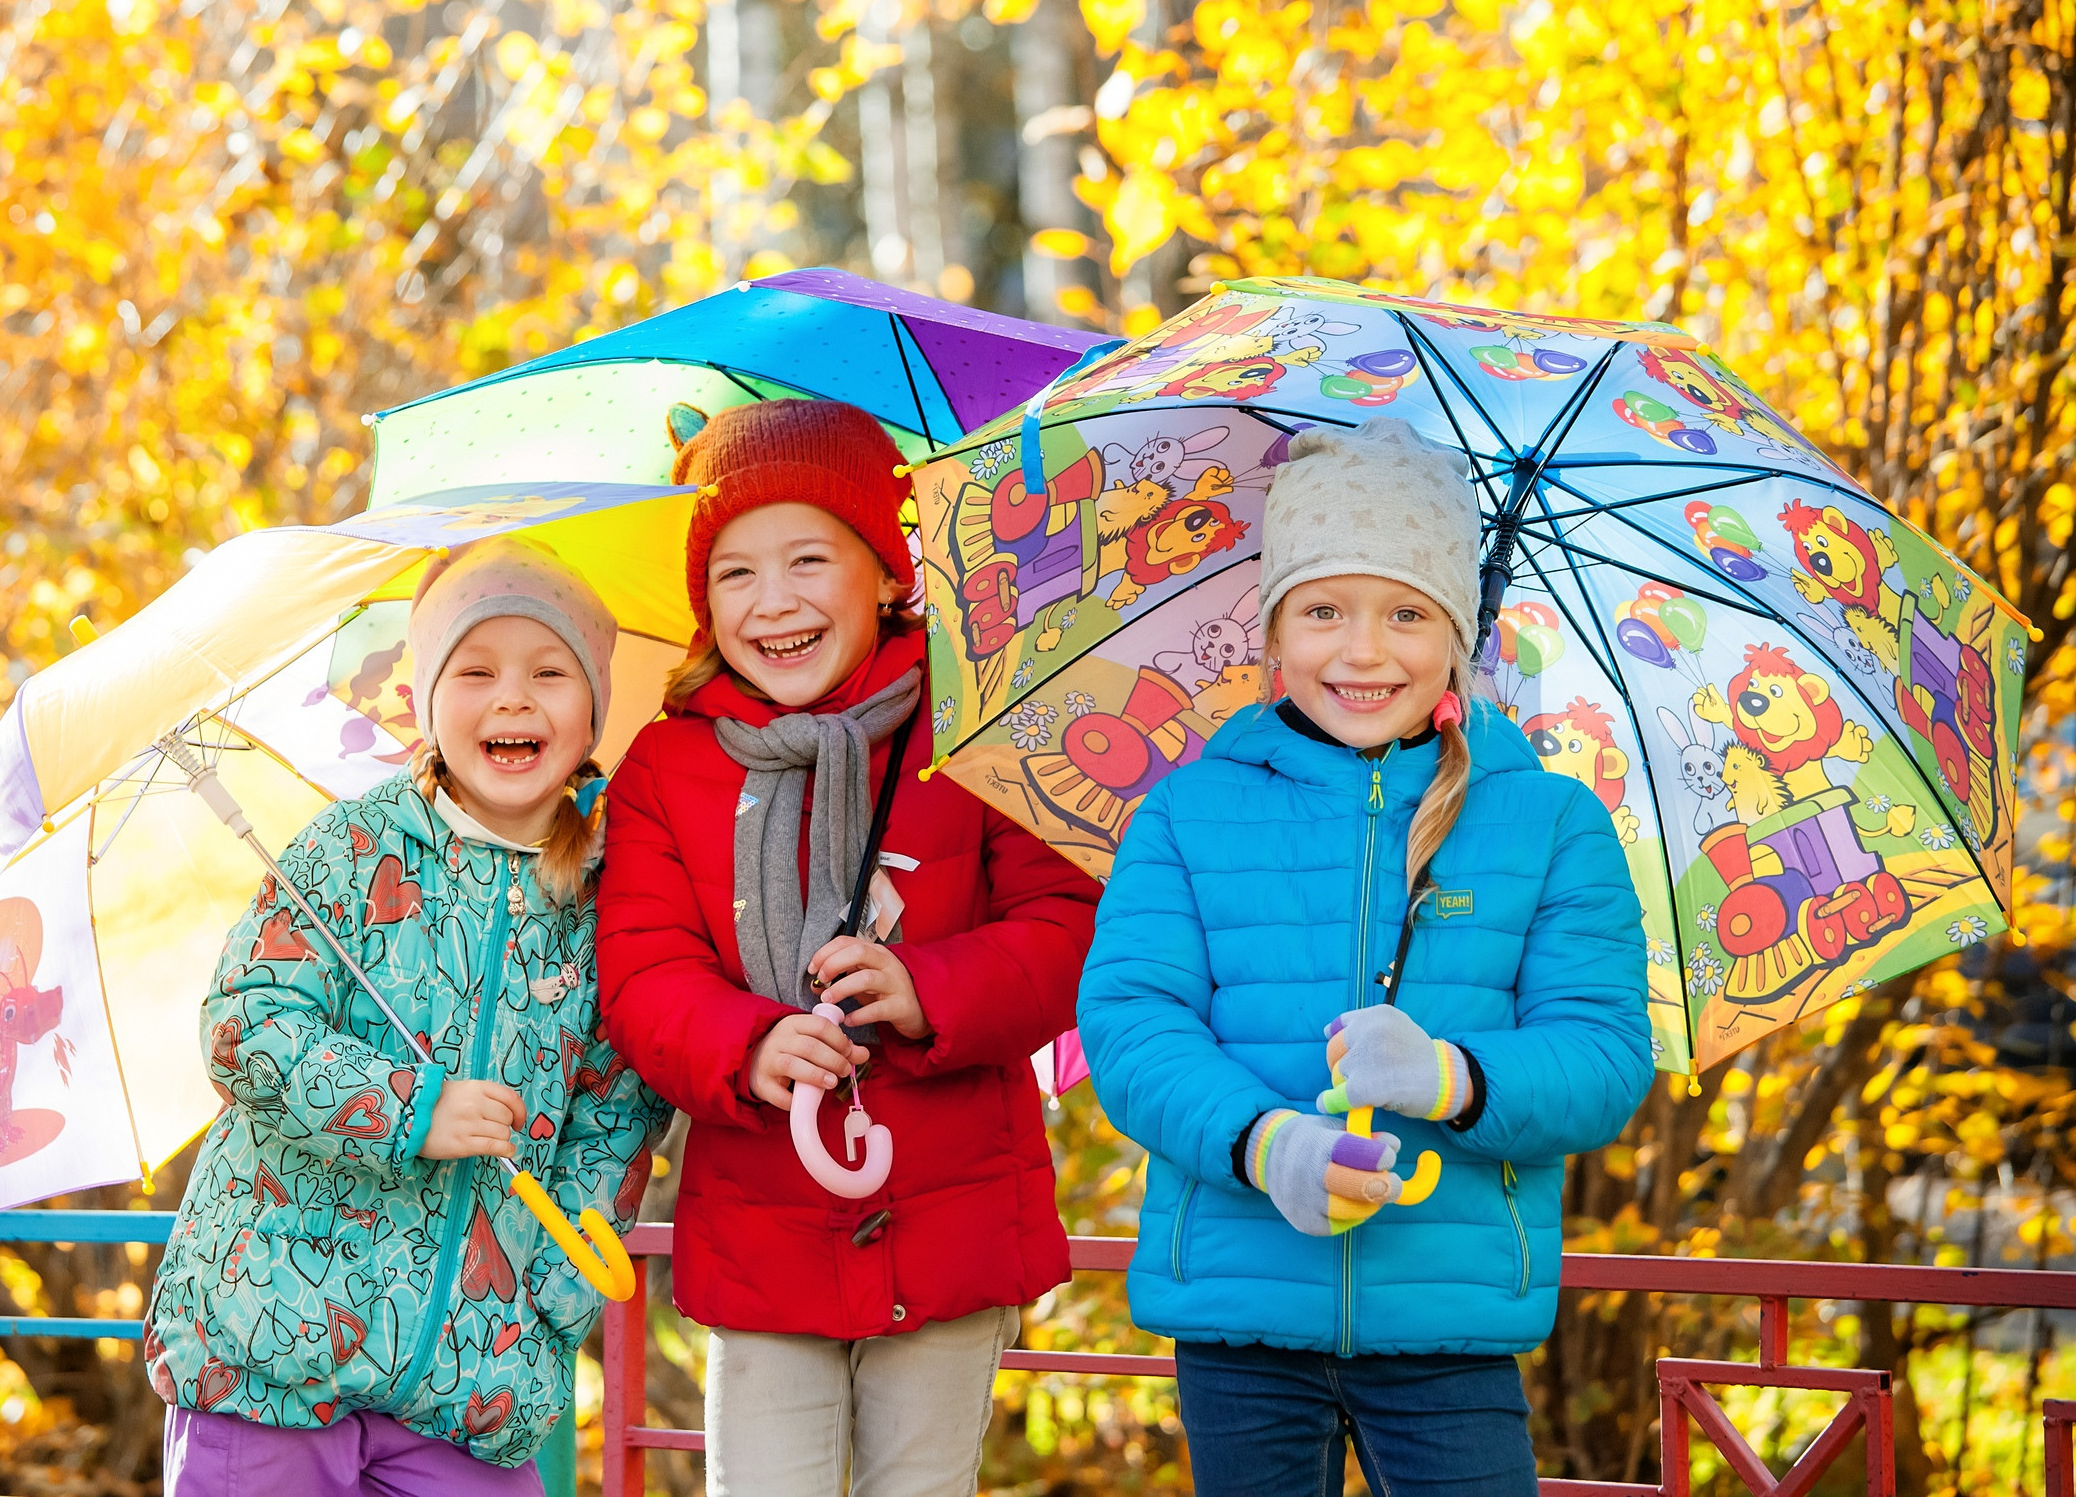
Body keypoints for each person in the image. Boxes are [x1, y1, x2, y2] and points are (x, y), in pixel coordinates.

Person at [1077, 417, 1651, 1497]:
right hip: (1241, 1318)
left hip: (1452, 1328)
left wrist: (1452, 1076)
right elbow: (1134, 1027)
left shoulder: (1548, 823)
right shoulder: (1189, 814)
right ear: (1274, 631)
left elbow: (1604, 1054)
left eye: (1406, 613)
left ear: (1457, 634)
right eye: (1323, 610)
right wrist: (1265, 1145)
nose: (1363, 651)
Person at [597, 398, 1100, 1497]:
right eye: (734, 572)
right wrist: (746, 1044)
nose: (772, 601)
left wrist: (930, 988)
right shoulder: (666, 769)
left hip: (950, 1214)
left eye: (808, 559)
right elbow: (643, 969)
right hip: (761, 1226)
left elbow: (1067, 926)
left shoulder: (970, 731)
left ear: (882, 572)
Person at [144, 537, 671, 1495]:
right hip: (271, 1351)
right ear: (427, 702)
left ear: (593, 707)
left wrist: (547, 1298)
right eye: (476, 671)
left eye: (549, 672)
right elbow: (245, 1027)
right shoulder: (351, 848)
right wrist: (410, 1106)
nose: (512, 699)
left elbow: (619, 1104)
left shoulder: (609, 899)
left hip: (473, 1382)